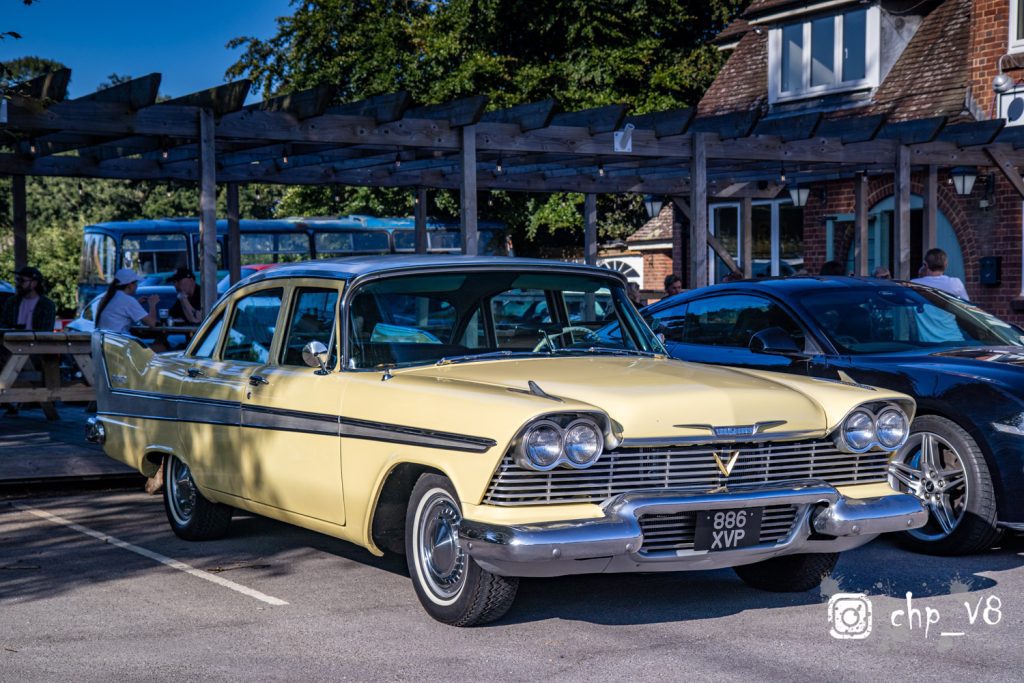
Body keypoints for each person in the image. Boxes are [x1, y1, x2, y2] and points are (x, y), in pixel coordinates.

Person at [94, 268, 159, 334]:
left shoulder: (109, 297)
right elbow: (152, 323)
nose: (137, 286)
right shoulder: (127, 300)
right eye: (135, 283)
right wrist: (152, 304)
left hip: (108, 340)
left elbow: (120, 309)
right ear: (130, 285)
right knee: (159, 341)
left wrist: (137, 303)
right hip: (119, 341)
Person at [0, 266, 56, 331]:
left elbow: (47, 330)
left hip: (37, 341)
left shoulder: (47, 305)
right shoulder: (12, 302)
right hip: (13, 340)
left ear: (34, 283)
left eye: (22, 280)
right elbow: (3, 324)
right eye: (17, 280)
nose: (18, 283)